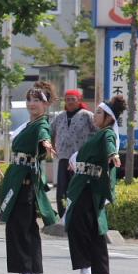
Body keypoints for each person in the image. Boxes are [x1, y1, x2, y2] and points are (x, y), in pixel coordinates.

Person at [0, 82, 57, 274]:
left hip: (25, 181)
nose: (32, 104)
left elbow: (44, 136)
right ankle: (33, 268)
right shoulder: (28, 124)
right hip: (18, 178)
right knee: (25, 225)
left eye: (37, 100)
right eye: (29, 99)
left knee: (21, 225)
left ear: (47, 104)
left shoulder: (41, 124)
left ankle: (26, 268)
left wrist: (47, 144)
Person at [65, 94, 126, 274]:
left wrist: (113, 155)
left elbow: (110, 146)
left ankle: (86, 265)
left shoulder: (107, 133)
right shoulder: (98, 134)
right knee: (93, 226)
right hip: (86, 184)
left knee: (78, 223)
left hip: (90, 186)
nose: (95, 115)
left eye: (99, 112)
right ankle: (100, 268)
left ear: (109, 118)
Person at [50, 89, 97, 217]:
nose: (69, 102)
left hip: (80, 159)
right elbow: (50, 132)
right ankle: (62, 215)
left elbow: (98, 132)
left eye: (73, 99)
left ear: (79, 100)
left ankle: (76, 214)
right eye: (67, 99)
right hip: (64, 157)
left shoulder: (87, 115)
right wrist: (52, 147)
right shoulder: (59, 116)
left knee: (77, 187)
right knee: (62, 189)